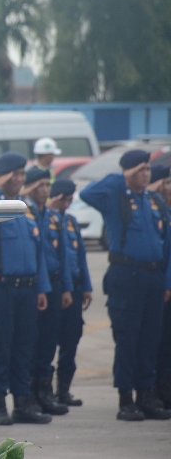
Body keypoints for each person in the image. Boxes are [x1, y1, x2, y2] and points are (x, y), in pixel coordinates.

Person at [80, 150, 171, 421]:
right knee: (128, 340)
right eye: (140, 170)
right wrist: (122, 176)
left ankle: (146, 396)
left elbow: (166, 245)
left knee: (149, 339)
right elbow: (87, 193)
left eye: (147, 170)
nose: (146, 174)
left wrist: (166, 282)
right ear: (129, 172)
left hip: (153, 278)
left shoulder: (154, 201)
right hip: (126, 276)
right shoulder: (115, 197)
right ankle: (125, 399)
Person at [0, 152, 52, 425]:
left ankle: (23, 403)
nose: (19, 179)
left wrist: (41, 287)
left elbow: (37, 251)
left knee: (23, 348)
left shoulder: (25, 207)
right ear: (3, 176)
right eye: (14, 175)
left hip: (27, 290)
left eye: (22, 174)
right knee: (0, 348)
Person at [22, 167, 73, 416]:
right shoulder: (24, 212)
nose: (45, 190)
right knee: (32, 341)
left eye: (47, 185)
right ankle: (30, 394)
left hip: (53, 284)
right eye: (40, 185)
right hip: (35, 286)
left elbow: (62, 255)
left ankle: (45, 392)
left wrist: (66, 288)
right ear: (31, 187)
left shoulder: (51, 216)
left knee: (49, 342)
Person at [47, 179, 93, 407]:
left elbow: (80, 258)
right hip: (55, 287)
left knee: (71, 338)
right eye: (62, 198)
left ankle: (63, 390)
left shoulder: (71, 223)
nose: (66, 203)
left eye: (69, 199)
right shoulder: (46, 219)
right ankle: (44, 390)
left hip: (73, 286)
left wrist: (87, 287)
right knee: (48, 339)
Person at [149, 165, 171, 409]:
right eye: (164, 183)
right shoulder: (155, 210)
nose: (168, 187)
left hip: (163, 282)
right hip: (157, 285)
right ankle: (155, 390)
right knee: (156, 341)